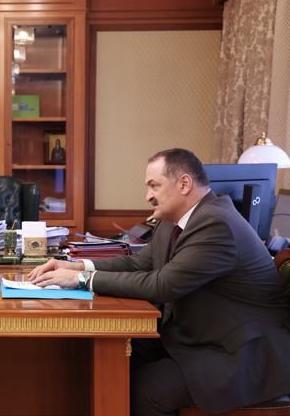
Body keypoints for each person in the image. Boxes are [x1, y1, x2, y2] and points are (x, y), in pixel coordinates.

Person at [29, 148, 290, 415]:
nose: (148, 196)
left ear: (184, 184)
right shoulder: (172, 221)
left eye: (154, 186)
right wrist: (75, 266)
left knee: (146, 390)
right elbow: (138, 263)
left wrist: (80, 280)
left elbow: (162, 285)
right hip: (193, 334)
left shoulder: (216, 223)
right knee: (105, 354)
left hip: (242, 350)